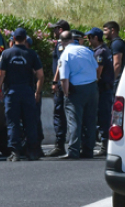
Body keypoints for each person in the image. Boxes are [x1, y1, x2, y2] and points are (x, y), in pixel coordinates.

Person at [0, 27, 44, 161]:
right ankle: (32, 151)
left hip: (12, 92)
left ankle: (15, 152)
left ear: (13, 39)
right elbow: (40, 75)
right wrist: (37, 92)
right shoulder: (32, 54)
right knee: (30, 122)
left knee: (13, 123)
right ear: (25, 39)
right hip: (27, 92)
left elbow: (0, 74)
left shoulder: (6, 54)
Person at [58, 30, 99, 159]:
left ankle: (73, 151)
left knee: (74, 120)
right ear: (72, 39)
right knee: (90, 120)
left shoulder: (65, 55)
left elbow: (64, 79)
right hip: (92, 88)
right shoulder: (86, 50)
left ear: (62, 42)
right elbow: (96, 68)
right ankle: (88, 150)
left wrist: (65, 93)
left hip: (76, 90)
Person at [86, 27, 115, 156]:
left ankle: (104, 147)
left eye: (89, 38)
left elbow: (98, 73)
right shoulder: (106, 50)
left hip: (103, 90)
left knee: (103, 117)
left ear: (95, 38)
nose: (88, 41)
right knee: (105, 117)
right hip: (107, 89)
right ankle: (104, 145)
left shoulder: (99, 53)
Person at [45, 20, 71, 157]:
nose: (53, 32)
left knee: (59, 113)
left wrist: (55, 81)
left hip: (62, 84)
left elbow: (61, 64)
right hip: (69, 83)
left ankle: (60, 145)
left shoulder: (61, 45)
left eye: (55, 29)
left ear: (60, 30)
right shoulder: (73, 43)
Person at [103, 21, 125, 92]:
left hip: (117, 80)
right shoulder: (117, 42)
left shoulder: (116, 44)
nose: (104, 33)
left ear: (112, 30)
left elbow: (117, 64)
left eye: (105, 30)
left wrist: (112, 80)